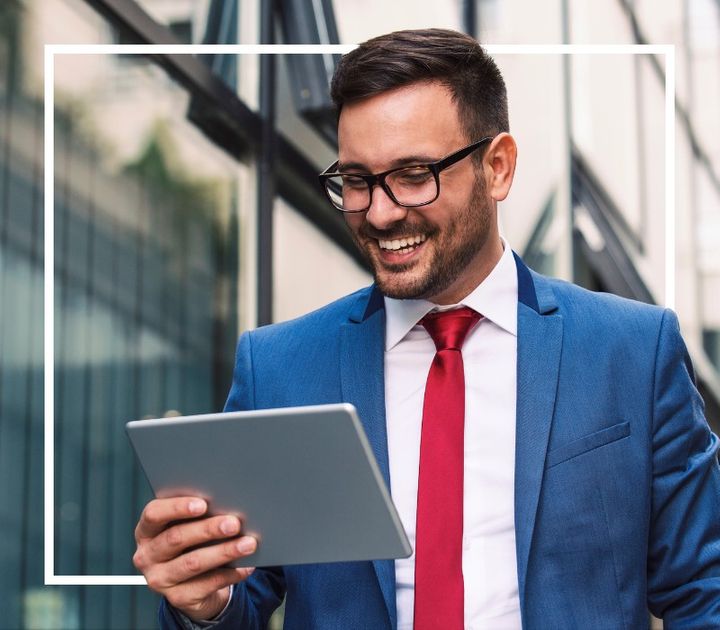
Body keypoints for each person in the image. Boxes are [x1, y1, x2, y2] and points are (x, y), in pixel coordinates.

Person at [132, 29, 720, 629]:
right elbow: (245, 596)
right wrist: (205, 603)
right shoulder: (279, 367)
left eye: (413, 175)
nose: (380, 213)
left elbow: (705, 591)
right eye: (357, 181)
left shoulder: (631, 352)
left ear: (497, 167)